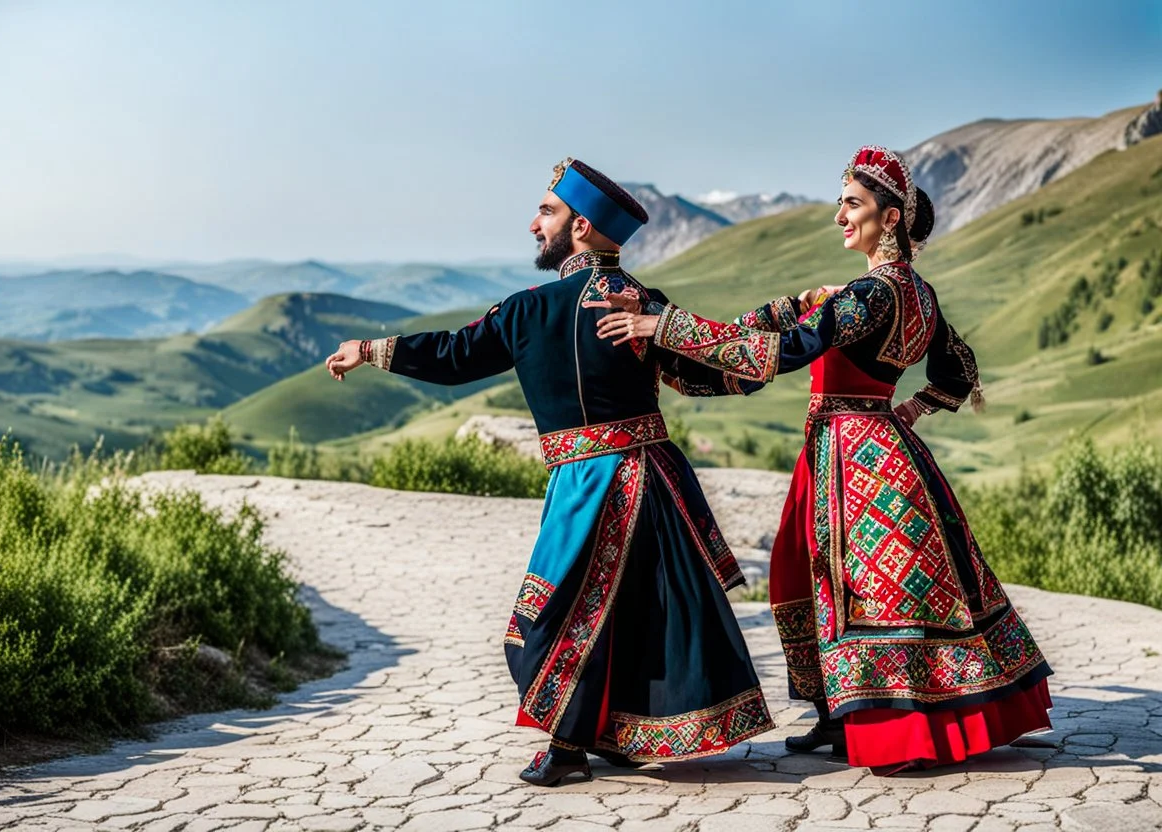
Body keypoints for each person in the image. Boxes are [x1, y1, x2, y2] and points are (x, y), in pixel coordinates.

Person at [590, 145, 1053, 775]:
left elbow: (784, 352)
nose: (840, 215)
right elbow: (958, 366)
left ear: (891, 219)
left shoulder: (871, 294)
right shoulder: (915, 292)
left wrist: (661, 327)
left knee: (853, 582)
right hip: (883, 444)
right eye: (841, 202)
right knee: (815, 571)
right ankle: (838, 714)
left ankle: (883, 720)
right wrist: (912, 409)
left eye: (853, 204)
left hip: (852, 455)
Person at [325, 158, 775, 786]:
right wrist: (770, 335)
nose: (534, 223)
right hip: (654, 478)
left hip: (595, 484)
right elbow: (705, 377)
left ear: (582, 226)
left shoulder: (529, 310)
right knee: (630, 614)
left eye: (547, 211)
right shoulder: (647, 304)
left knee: (551, 621)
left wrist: (373, 351)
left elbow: (456, 355)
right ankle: (614, 735)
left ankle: (567, 749)